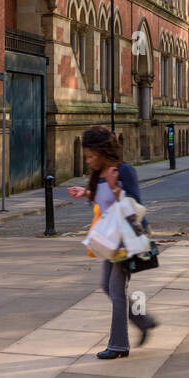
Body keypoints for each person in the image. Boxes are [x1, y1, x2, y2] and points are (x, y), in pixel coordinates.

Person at [68, 126, 157, 359]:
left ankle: (118, 345)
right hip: (112, 239)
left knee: (116, 289)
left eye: (90, 156)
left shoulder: (124, 171)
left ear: (102, 152)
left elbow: (134, 205)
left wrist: (116, 186)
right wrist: (84, 193)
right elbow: (103, 200)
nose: (87, 161)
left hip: (126, 238)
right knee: (107, 286)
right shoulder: (98, 174)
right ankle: (143, 320)